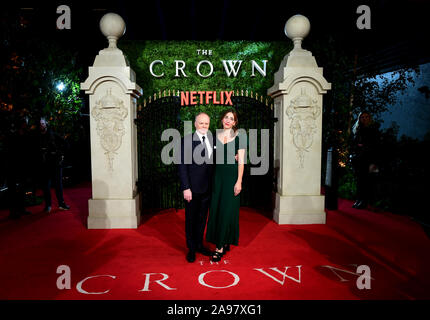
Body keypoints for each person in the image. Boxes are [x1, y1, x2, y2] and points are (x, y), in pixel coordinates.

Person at [206, 109, 246, 262]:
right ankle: (224, 240)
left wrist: (239, 181)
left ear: (235, 122)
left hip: (231, 178)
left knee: (227, 211)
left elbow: (241, 161)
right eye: (226, 117)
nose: (228, 120)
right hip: (217, 178)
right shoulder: (214, 136)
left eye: (232, 118)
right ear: (222, 119)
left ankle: (219, 247)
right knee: (216, 209)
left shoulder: (240, 137)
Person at [178, 112, 214, 263]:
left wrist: (234, 156)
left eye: (206, 123)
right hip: (192, 189)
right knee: (191, 220)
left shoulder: (212, 139)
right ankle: (191, 249)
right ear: (195, 124)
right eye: (201, 123)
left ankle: (199, 245)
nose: (204, 126)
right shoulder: (186, 141)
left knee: (202, 219)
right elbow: (182, 166)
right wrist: (186, 187)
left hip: (208, 188)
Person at [35, 118, 70, 213]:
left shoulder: (53, 134)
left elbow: (65, 143)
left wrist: (61, 155)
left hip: (55, 164)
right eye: (40, 124)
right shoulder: (37, 137)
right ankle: (48, 205)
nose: (41, 125)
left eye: (42, 123)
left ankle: (61, 204)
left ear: (46, 124)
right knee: (46, 186)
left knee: (58, 184)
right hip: (44, 165)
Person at [350, 111, 381, 210]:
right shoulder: (357, 130)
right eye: (362, 117)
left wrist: (363, 146)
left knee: (371, 181)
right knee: (360, 180)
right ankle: (359, 200)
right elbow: (354, 144)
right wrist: (358, 147)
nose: (364, 119)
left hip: (372, 159)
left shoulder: (374, 129)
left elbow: (376, 145)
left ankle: (369, 202)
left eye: (366, 117)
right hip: (360, 159)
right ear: (359, 119)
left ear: (370, 118)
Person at [5, 118, 32, 219]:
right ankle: (13, 212)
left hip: (21, 167)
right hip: (12, 166)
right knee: (12, 190)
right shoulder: (13, 135)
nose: (26, 125)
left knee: (22, 189)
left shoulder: (25, 135)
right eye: (25, 123)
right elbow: (10, 151)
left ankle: (21, 209)